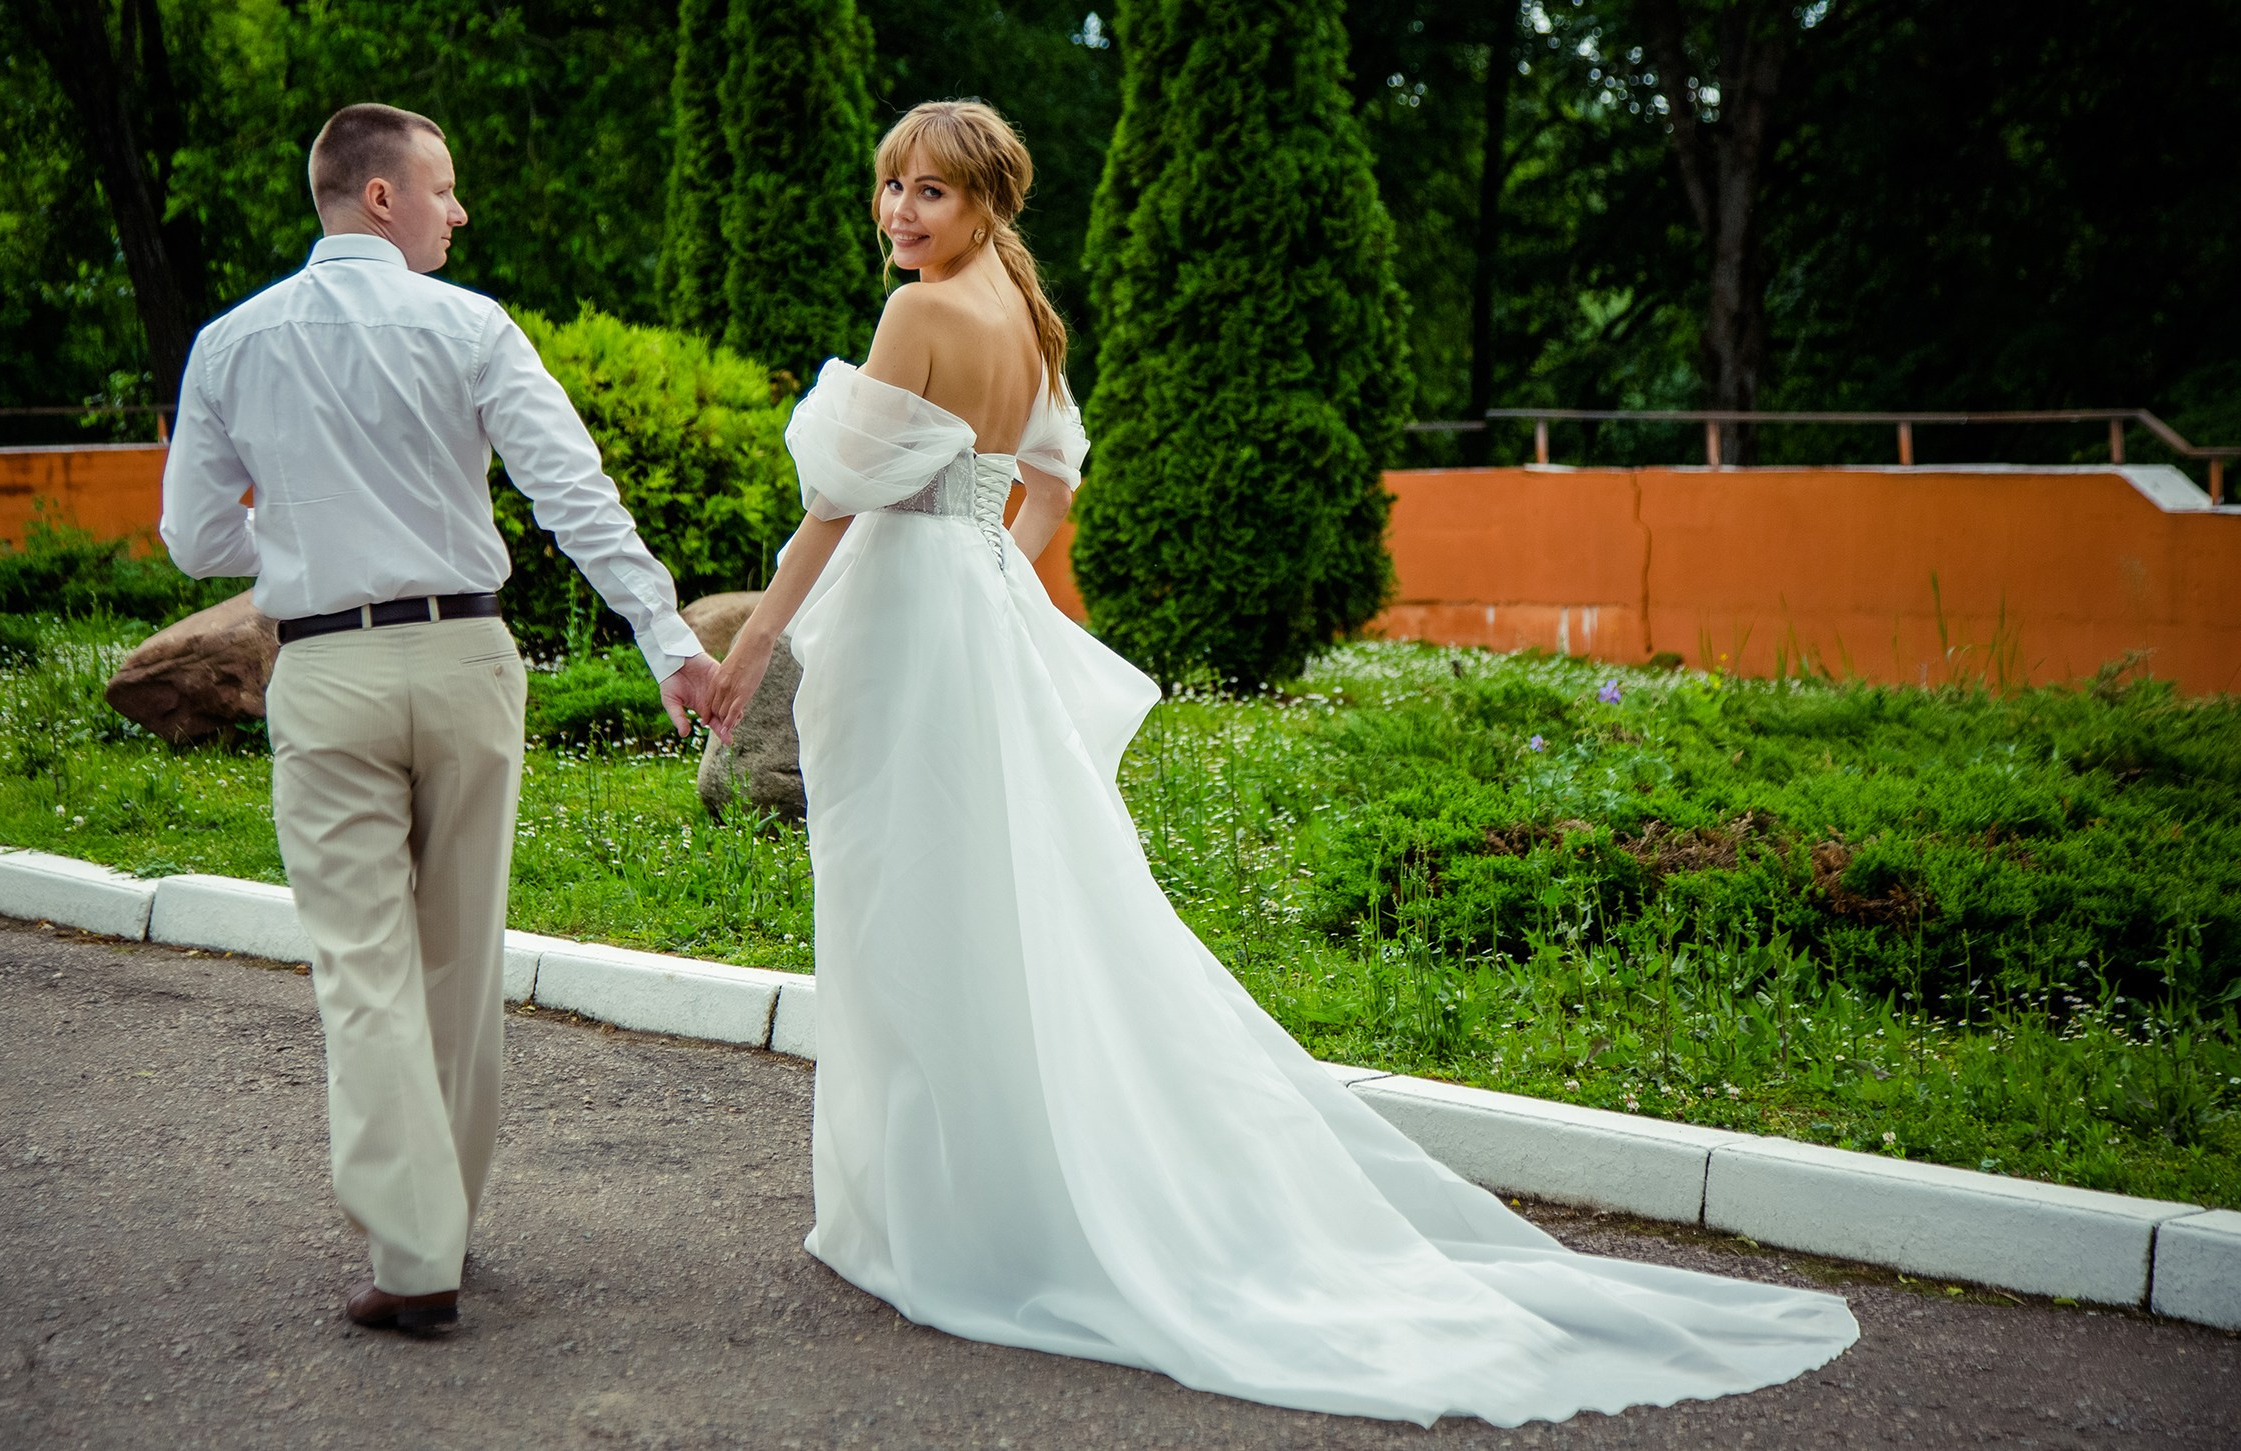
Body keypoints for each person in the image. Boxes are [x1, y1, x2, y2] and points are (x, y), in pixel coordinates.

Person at [704, 99, 1859, 1428]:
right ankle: (977, 1192)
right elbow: (1049, 481)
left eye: (934, 194)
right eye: (893, 186)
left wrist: (758, 644)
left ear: (986, 206)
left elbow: (837, 502)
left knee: (916, 901)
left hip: (920, 622)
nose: (903, 211)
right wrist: (991, 579)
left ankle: (939, 1216)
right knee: (1005, 901)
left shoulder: (918, 314)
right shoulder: (1027, 314)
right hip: (968, 614)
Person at [161, 103, 716, 1336]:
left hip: (325, 673)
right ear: (379, 197)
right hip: (467, 658)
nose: (459, 211)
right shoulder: (471, 327)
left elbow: (194, 539)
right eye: (445, 188)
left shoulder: (231, 342)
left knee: (363, 966)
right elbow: (573, 492)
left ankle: (416, 1256)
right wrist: (667, 642)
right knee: (461, 961)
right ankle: (440, 1228)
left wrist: (293, 537)